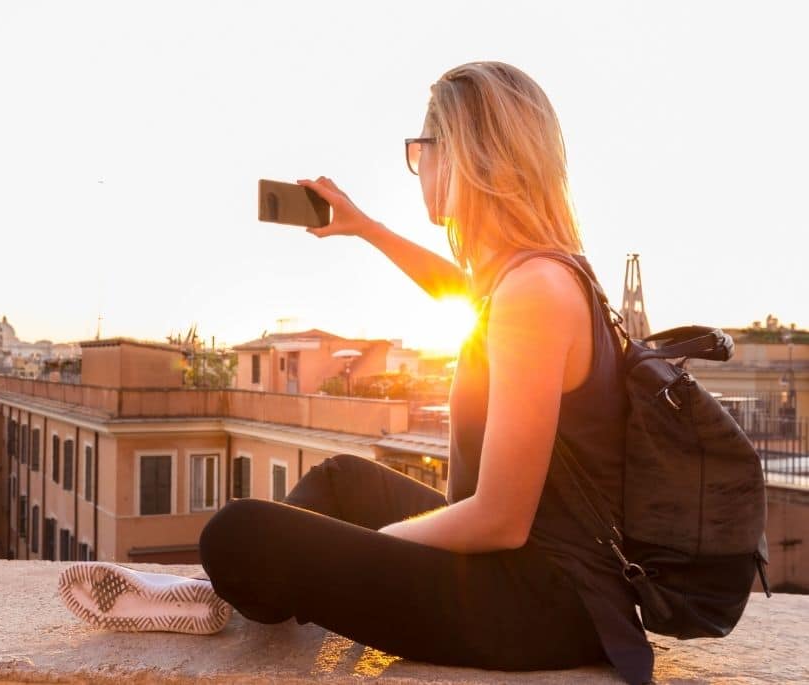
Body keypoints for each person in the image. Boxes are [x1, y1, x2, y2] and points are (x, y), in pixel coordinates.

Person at [59, 61, 653, 685]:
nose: (416, 163)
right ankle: (216, 601)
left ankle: (222, 595)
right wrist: (364, 227)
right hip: (539, 578)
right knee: (342, 481)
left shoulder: (534, 291)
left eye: (420, 147)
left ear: (465, 155)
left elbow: (501, 519)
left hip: (537, 605)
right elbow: (464, 290)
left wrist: (374, 548)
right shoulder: (536, 276)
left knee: (237, 534)